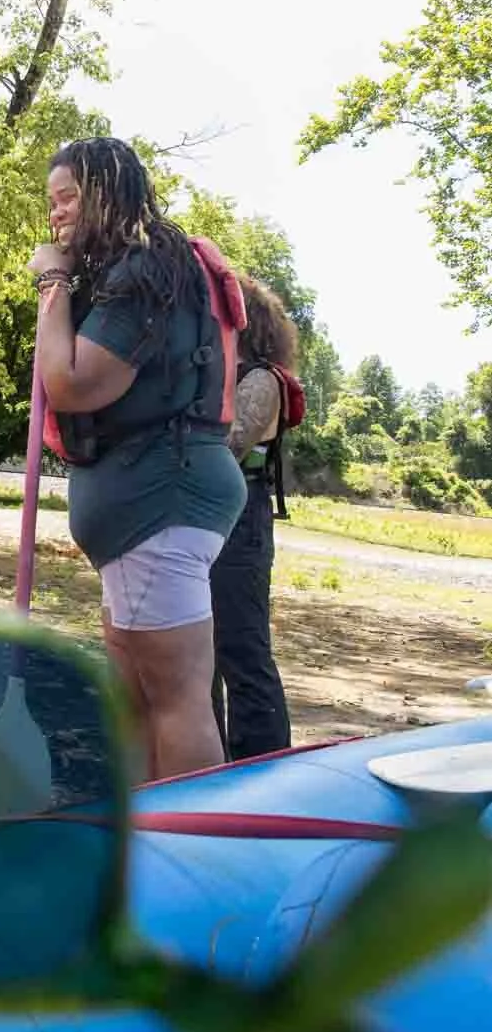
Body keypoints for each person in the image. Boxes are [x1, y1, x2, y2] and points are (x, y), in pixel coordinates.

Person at [29, 138, 246, 782]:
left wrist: (53, 280)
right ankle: (147, 836)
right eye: (51, 202)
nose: (56, 214)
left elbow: (70, 382)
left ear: (106, 194)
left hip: (161, 500)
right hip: (147, 508)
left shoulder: (142, 271)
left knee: (177, 701)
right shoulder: (138, 268)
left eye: (67, 198)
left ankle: (193, 853)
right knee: (137, 700)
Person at [211, 274, 301, 762]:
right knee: (200, 652)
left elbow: (230, 442)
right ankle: (213, 763)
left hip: (242, 518)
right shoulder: (227, 373)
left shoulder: (261, 379)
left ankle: (262, 766)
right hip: (214, 516)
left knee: (241, 647)